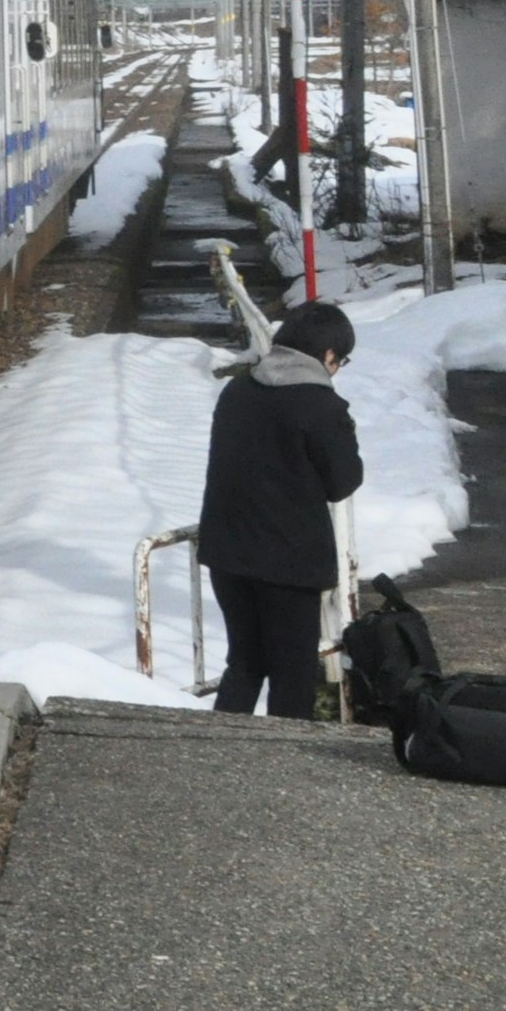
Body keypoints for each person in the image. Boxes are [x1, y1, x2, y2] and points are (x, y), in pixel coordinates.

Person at [193, 301, 365, 718]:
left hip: (227, 555)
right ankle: (285, 771)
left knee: (245, 663)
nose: (337, 368)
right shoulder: (322, 407)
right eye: (340, 360)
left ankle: (216, 756)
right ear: (327, 356)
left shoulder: (237, 391)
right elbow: (343, 481)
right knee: (292, 676)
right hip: (289, 565)